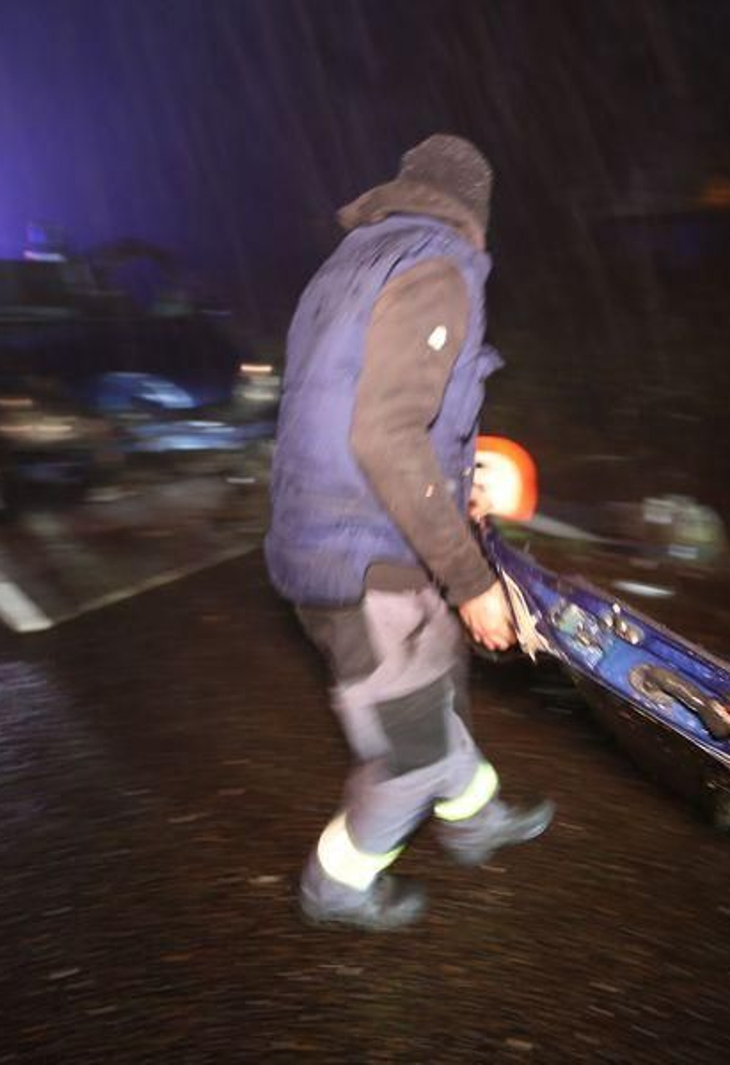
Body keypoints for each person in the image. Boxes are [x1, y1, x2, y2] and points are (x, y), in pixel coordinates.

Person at [266, 134, 555, 931]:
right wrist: (471, 581)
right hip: (362, 558)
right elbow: (387, 434)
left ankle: (474, 817)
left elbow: (356, 411)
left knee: (431, 686)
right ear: (476, 217)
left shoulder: (355, 261)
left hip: (343, 532)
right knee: (411, 749)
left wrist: (454, 489)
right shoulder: (439, 266)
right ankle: (338, 887)